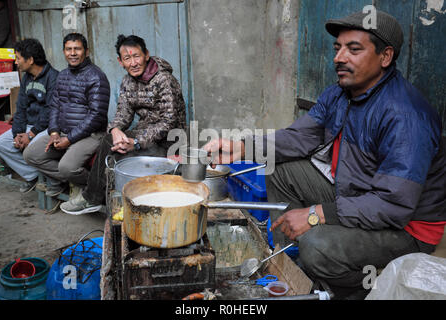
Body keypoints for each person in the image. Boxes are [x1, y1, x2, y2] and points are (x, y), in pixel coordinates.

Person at [203, 10, 446, 299]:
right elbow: (300, 137)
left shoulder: (405, 116)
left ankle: (350, 288)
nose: (339, 57)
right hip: (358, 192)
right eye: (337, 48)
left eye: (353, 49)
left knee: (317, 246)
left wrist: (317, 215)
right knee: (278, 169)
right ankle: (288, 262)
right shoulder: (341, 93)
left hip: (407, 227)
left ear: (385, 56)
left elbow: (392, 206)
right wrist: (244, 147)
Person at [59, 34, 186, 215]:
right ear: (120, 61)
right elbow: (123, 114)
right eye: (127, 58)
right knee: (111, 140)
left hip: (170, 141)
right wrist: (116, 130)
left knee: (118, 153)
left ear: (146, 55)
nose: (133, 63)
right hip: (145, 138)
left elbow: (168, 122)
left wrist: (135, 142)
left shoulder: (164, 80)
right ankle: (96, 200)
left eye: (136, 56)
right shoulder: (127, 81)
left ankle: (95, 199)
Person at [24, 33, 110, 198]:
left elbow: (97, 115)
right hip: (63, 131)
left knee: (67, 167)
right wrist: (54, 132)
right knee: (31, 154)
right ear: (63, 51)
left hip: (90, 135)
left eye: (77, 49)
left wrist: (69, 139)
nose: (73, 53)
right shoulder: (62, 75)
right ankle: (75, 184)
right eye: (68, 49)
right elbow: (55, 106)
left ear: (86, 51)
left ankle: (97, 189)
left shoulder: (97, 77)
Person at [0, 38, 58, 193]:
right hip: (28, 126)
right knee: (0, 143)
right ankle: (33, 176)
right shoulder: (26, 78)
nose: (16, 62)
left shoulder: (54, 77)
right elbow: (21, 107)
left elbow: (50, 110)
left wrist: (30, 135)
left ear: (30, 60)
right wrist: (18, 133)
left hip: (46, 128)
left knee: (33, 148)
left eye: (18, 58)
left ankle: (52, 179)